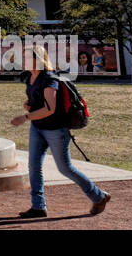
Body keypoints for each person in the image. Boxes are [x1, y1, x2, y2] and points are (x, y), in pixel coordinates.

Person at [11, 44, 111, 219]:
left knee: (65, 168)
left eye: (27, 57)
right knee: (33, 167)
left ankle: (99, 196)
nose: (23, 60)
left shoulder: (50, 79)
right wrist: (29, 105)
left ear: (38, 59)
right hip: (38, 128)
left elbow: (50, 108)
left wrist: (25, 117)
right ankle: (38, 207)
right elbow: (37, 101)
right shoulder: (30, 78)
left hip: (56, 130)